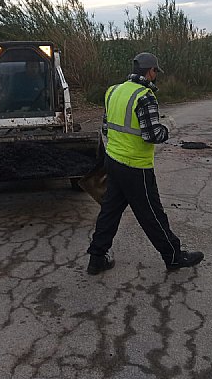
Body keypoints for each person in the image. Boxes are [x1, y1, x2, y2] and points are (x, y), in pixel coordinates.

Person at [86, 52, 204, 275]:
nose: (156, 75)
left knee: (109, 212)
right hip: (136, 167)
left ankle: (96, 258)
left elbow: (105, 127)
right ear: (151, 71)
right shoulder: (146, 96)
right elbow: (152, 135)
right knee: (152, 215)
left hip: (114, 161)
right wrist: (167, 128)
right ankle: (174, 257)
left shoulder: (113, 91)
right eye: (156, 71)